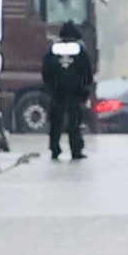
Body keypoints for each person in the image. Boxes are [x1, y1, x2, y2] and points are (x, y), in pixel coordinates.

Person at [40, 17, 95, 164]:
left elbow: (46, 70)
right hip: (75, 92)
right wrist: (85, 89)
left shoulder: (53, 49)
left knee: (56, 122)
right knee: (74, 123)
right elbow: (87, 72)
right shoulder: (80, 49)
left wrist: (50, 87)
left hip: (57, 92)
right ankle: (76, 150)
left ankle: (54, 149)